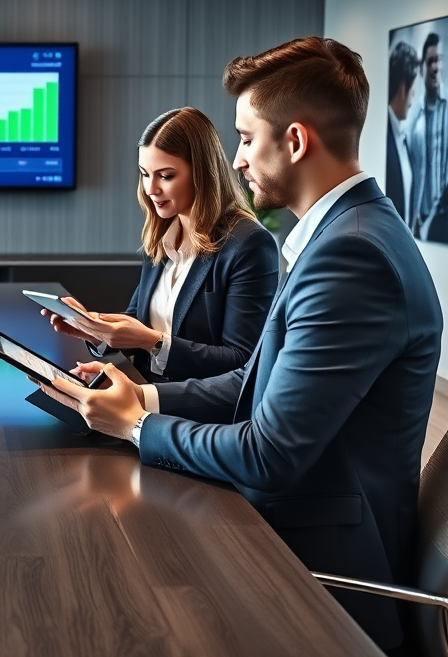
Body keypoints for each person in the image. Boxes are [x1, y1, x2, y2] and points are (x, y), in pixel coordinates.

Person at [43, 37, 442, 653]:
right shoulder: (340, 235)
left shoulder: (351, 254)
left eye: (247, 138)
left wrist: (135, 431)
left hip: (314, 564)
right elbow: (249, 385)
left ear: (297, 142)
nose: (237, 160)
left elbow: (268, 455)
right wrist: (141, 400)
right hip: (292, 520)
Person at [43, 107, 278, 382]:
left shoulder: (248, 244)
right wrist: (94, 328)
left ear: (202, 173)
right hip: (147, 399)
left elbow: (242, 362)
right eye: (144, 173)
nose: (150, 189)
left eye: (165, 176)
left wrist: (153, 342)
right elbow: (138, 321)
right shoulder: (161, 235)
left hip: (198, 418)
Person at [411, 33, 448, 241]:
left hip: (443, 215)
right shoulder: (415, 114)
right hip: (420, 216)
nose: (435, 67)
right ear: (422, 67)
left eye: (439, 60)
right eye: (431, 60)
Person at [385, 40, 420, 228]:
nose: (414, 98)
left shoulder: (403, 137)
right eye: (414, 89)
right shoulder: (386, 141)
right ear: (404, 89)